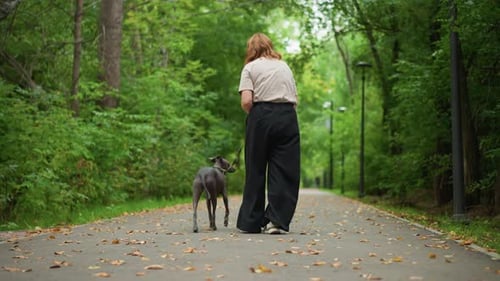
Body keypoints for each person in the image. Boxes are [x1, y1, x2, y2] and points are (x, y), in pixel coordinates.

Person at [236, 33, 301, 234]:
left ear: (252, 49)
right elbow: (295, 98)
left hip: (261, 115)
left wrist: (256, 118)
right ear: (270, 46)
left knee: (255, 168)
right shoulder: (284, 66)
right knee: (284, 170)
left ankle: (251, 222)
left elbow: (247, 101)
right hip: (287, 116)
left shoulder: (250, 68)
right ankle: (277, 221)